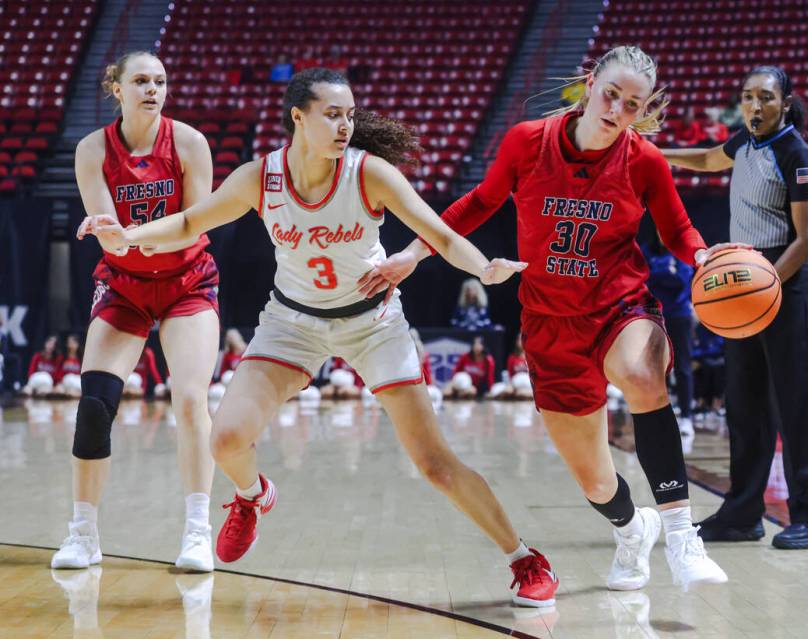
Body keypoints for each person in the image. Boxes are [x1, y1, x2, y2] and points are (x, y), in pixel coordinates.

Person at [86, 67, 558, 607]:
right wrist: (128, 235)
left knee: (433, 463)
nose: (344, 125)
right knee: (225, 439)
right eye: (333, 114)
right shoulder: (258, 178)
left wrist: (483, 268)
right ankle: (252, 496)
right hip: (292, 323)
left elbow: (441, 234)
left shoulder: (369, 173)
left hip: (373, 323)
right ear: (298, 117)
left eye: (350, 115)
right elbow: (192, 221)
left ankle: (524, 557)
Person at [362, 45, 728, 591]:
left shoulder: (644, 159)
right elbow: (481, 202)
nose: (617, 110)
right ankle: (634, 531)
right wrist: (412, 255)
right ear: (589, 83)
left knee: (641, 375)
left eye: (632, 104)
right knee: (595, 479)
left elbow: (676, 228)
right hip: (550, 320)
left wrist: (701, 255)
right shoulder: (529, 141)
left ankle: (680, 535)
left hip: (618, 304)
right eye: (611, 94)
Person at [661, 65, 808, 549]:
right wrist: (655, 152)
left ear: (784, 103)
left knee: (797, 401)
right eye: (747, 97)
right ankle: (742, 513)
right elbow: (705, 158)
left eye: (765, 97)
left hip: (787, 277)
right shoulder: (744, 142)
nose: (755, 106)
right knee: (745, 402)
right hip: (745, 282)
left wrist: (768, 287)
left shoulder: (795, 152)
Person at [57, 51, 220, 572]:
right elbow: (108, 232)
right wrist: (113, 236)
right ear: (116, 89)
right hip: (125, 285)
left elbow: (194, 224)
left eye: (161, 81)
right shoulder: (91, 150)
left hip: (187, 283)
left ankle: (197, 530)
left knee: (191, 400)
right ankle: (83, 534)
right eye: (142, 81)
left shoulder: (190, 142)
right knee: (94, 405)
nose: (153, 89)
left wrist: (130, 237)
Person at [642, 233, 696, 449]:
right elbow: (643, 278)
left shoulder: (684, 250)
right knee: (651, 368)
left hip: (679, 315)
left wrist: (659, 275)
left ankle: (686, 417)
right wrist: (666, 274)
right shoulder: (646, 250)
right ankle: (654, 418)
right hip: (652, 314)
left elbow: (682, 281)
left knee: (683, 367)